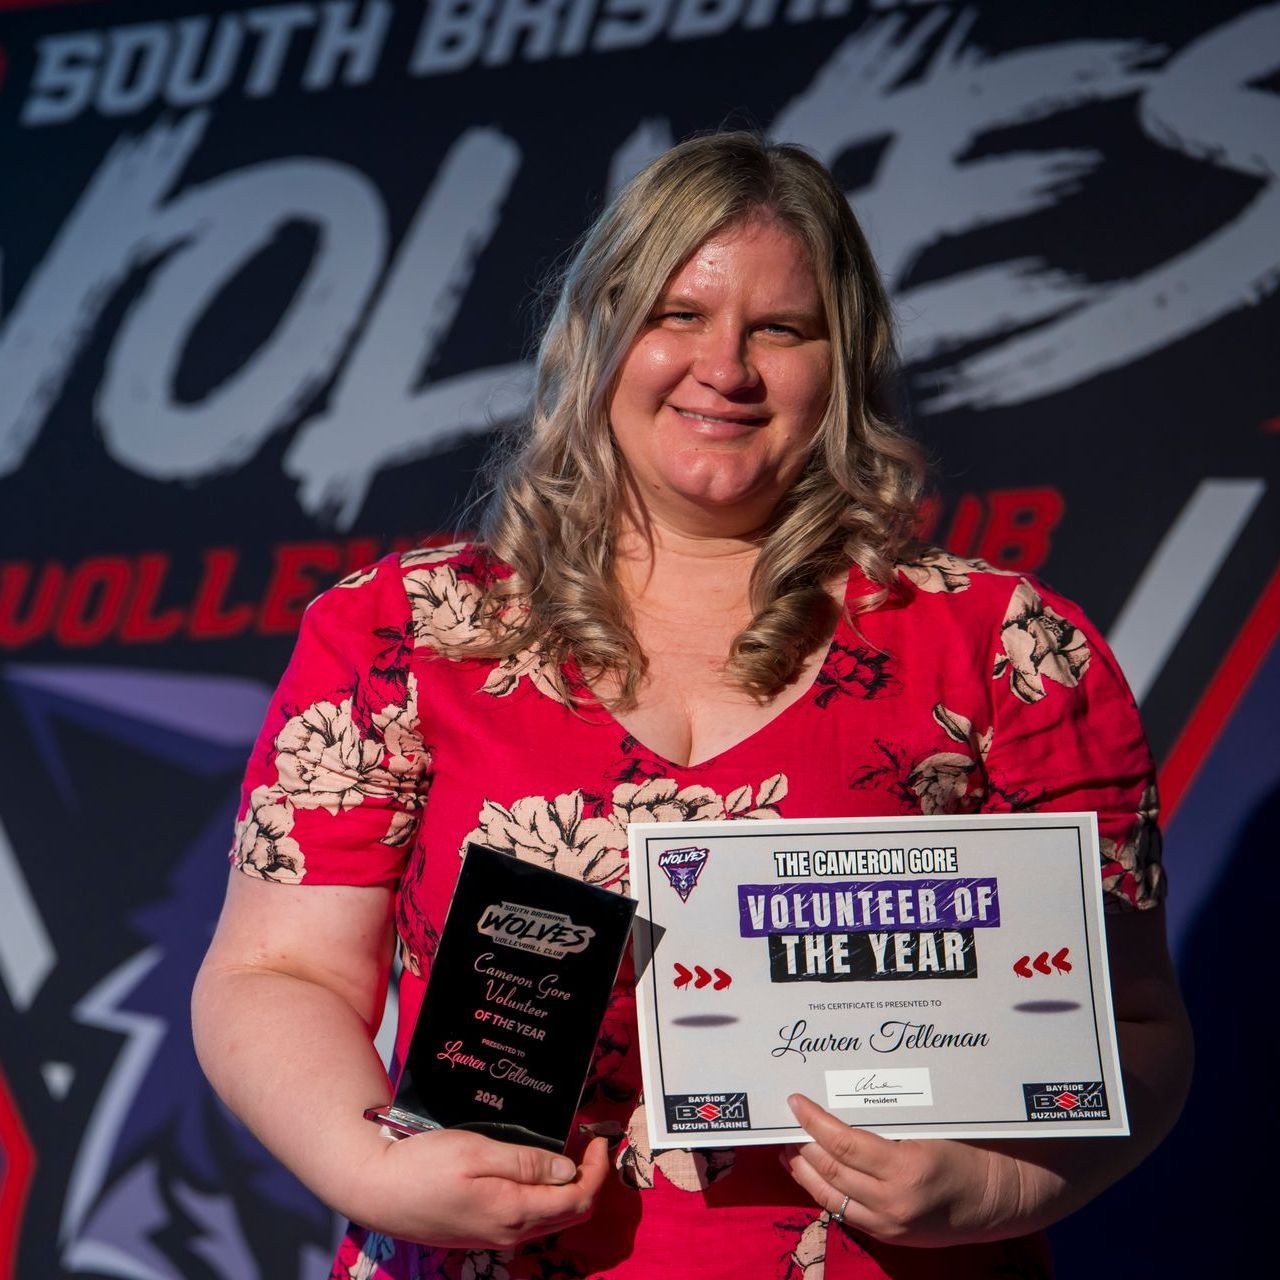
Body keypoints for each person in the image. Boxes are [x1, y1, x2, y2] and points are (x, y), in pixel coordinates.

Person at [192, 132, 1191, 1279]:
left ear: (844, 360)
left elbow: (1135, 1026)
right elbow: (277, 974)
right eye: (678, 314)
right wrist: (368, 1167)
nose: (726, 367)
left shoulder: (1004, 647)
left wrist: (1001, 1184)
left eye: (781, 328)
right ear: (598, 333)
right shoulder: (406, 631)